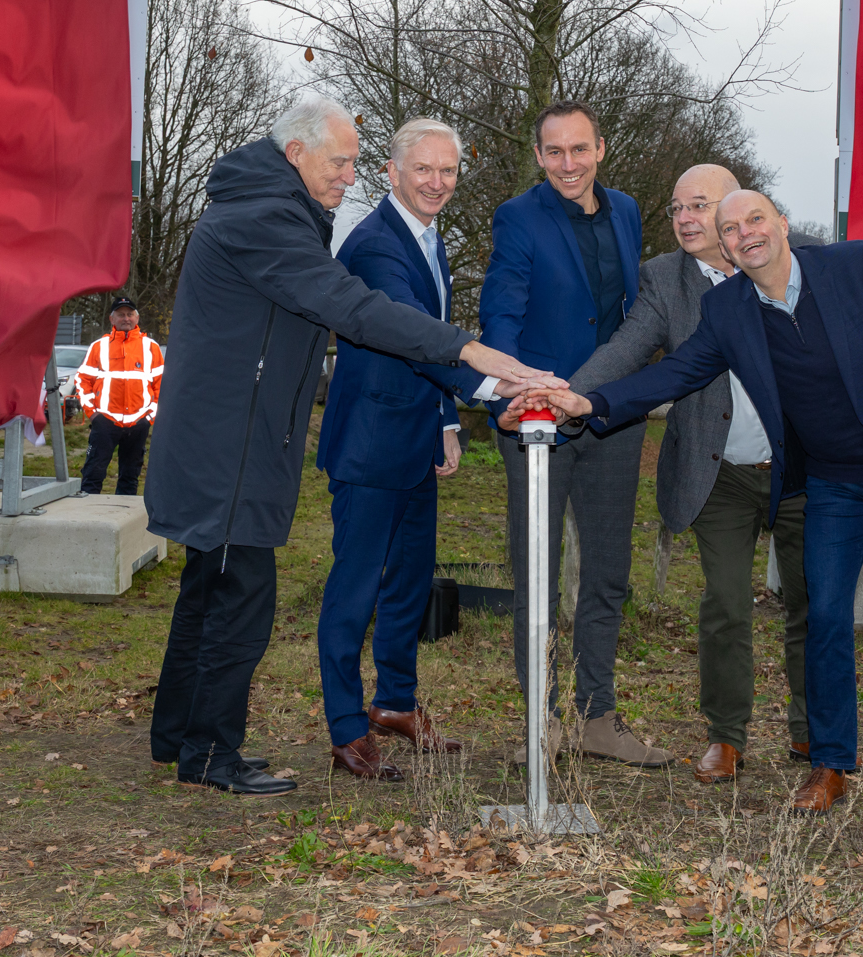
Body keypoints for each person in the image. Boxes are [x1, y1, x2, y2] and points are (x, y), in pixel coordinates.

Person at [512, 191, 863, 822]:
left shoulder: (855, 265)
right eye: (731, 230)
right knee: (827, 620)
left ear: (781, 222)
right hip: (833, 484)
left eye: (755, 219)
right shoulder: (727, 311)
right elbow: (676, 373)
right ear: (724, 248)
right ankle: (829, 766)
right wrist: (589, 404)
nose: (746, 234)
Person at [144, 95, 551, 796]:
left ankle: (177, 735)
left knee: (207, 588)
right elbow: (352, 306)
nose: (348, 175)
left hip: (226, 436)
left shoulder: (270, 208)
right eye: (341, 161)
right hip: (230, 445)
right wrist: (469, 351)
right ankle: (211, 751)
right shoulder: (266, 218)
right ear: (296, 153)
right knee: (241, 598)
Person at [567, 164, 808, 785]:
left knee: (813, 605)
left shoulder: (797, 261)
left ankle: (815, 736)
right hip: (716, 470)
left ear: (740, 211)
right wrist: (566, 395)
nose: (684, 220)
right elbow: (627, 350)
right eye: (676, 208)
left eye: (699, 205)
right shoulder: (664, 279)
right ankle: (726, 739)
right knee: (726, 604)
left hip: (804, 470)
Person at [478, 101, 671, 769]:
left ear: (601, 148)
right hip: (538, 420)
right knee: (538, 571)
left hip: (609, 418)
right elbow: (501, 307)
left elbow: (625, 314)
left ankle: (597, 717)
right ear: (538, 155)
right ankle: (542, 722)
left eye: (579, 149)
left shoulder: (624, 210)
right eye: (555, 151)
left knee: (608, 571)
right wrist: (510, 387)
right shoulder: (517, 217)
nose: (568, 163)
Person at [315, 118, 481, 781]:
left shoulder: (429, 238)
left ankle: (396, 704)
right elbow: (418, 334)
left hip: (415, 442)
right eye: (423, 170)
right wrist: (497, 384)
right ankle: (347, 726)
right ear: (392, 172)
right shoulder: (378, 244)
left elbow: (430, 335)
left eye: (447, 171)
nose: (436, 182)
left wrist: (446, 418)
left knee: (410, 583)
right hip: (369, 447)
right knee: (355, 590)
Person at [73, 296, 162, 496]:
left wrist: (149, 418)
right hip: (105, 420)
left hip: (138, 422)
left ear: (137, 317)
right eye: (121, 315)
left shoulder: (151, 347)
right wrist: (93, 414)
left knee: (130, 476)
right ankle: (87, 519)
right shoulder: (99, 346)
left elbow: (161, 387)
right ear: (111, 319)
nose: (126, 318)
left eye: (130, 314)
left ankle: (123, 518)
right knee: (93, 473)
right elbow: (82, 380)